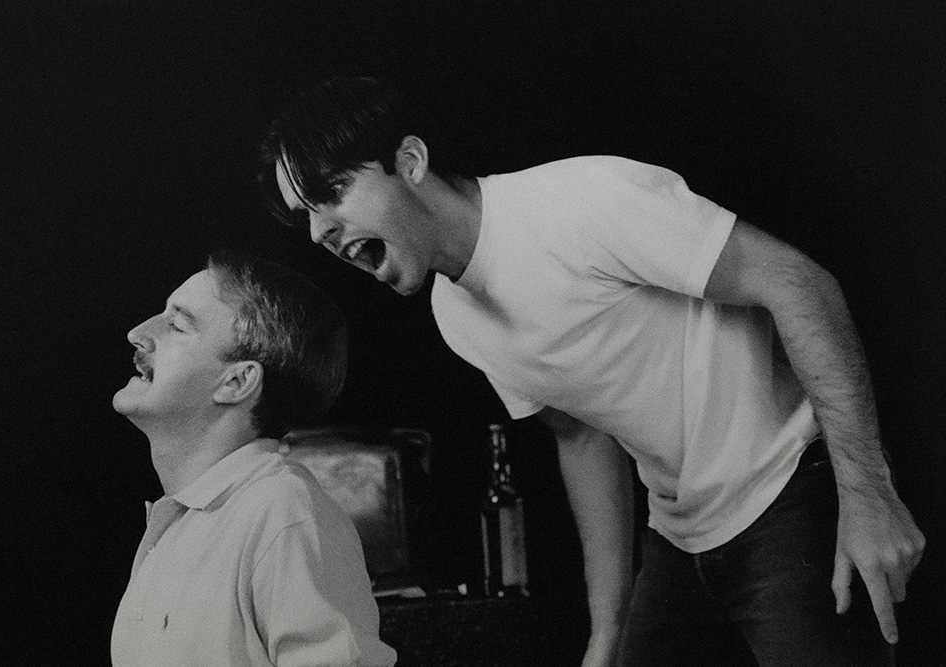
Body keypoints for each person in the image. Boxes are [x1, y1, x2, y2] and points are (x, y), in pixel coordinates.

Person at [257, 77, 926, 666]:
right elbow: (579, 433)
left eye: (332, 193)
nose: (320, 234)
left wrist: (868, 491)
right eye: (305, 216)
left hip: (791, 493)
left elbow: (796, 281)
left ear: (410, 161)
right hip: (679, 536)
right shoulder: (454, 314)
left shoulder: (580, 201)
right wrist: (607, 629)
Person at [110, 249, 397, 667]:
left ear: (237, 381)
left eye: (177, 325)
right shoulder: (177, 527)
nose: (138, 332)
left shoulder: (283, 511)